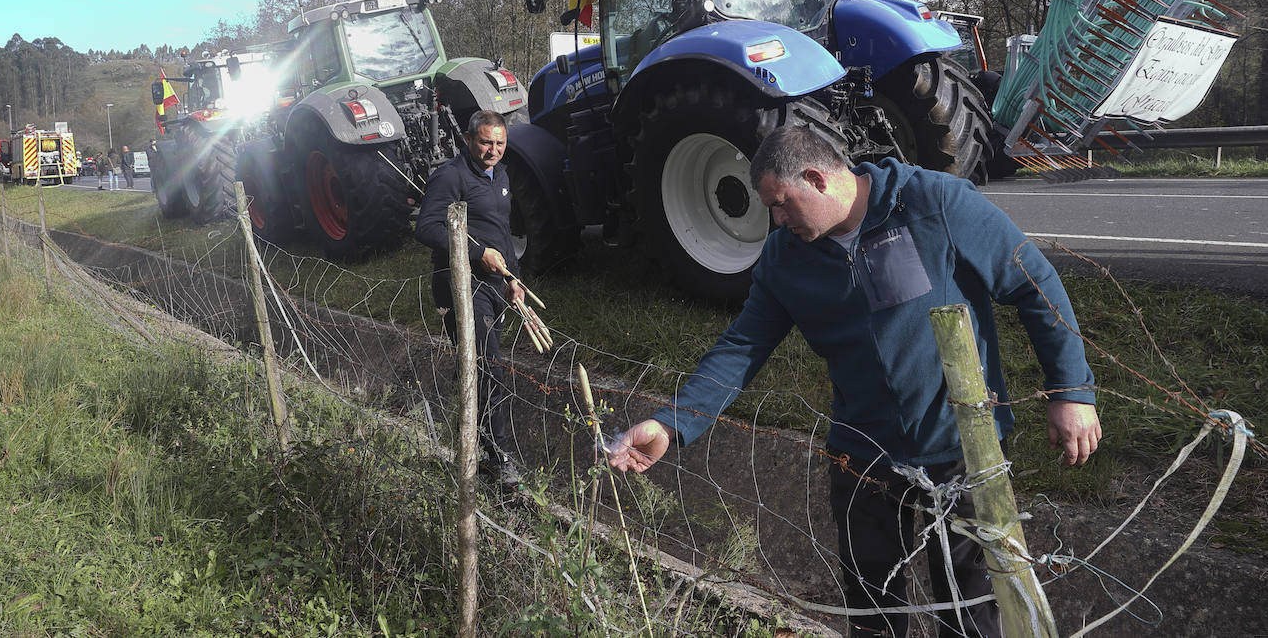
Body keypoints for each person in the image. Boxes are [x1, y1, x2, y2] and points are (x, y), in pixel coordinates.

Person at [608, 126, 1101, 638]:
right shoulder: (784, 259)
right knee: (871, 612)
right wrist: (671, 424)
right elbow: (742, 347)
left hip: (961, 447)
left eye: (781, 204)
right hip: (861, 454)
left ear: (818, 179)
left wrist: (1071, 391)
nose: (775, 220)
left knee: (972, 608)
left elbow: (1032, 283)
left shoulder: (931, 202)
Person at [415, 110, 527, 487]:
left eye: (499, 143)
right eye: (485, 142)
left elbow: (501, 231)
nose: (492, 150)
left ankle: (481, 447)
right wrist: (478, 253)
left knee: (485, 366)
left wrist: (514, 279)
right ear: (468, 139)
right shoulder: (450, 176)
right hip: (460, 285)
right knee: (488, 368)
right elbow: (427, 227)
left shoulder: (501, 175)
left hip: (495, 285)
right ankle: (497, 458)